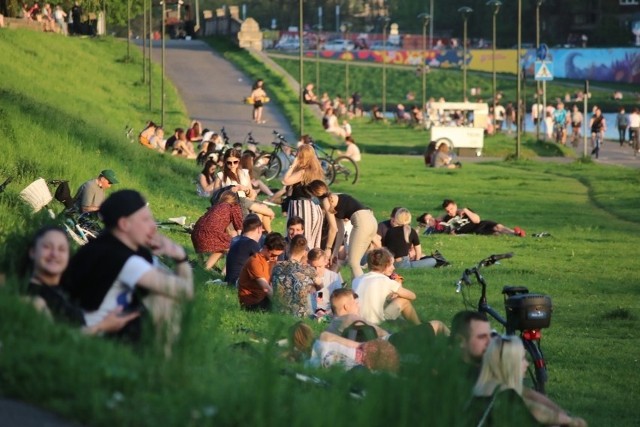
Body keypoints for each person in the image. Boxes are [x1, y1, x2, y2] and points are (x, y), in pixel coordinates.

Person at [63, 190, 194, 352]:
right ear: (124, 224)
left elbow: (174, 284)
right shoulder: (122, 258)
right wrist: (180, 257)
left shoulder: (111, 245)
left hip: (105, 328)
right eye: (145, 220)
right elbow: (185, 291)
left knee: (163, 298)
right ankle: (163, 367)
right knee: (164, 302)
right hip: (92, 337)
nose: (153, 226)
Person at [25, 226, 139, 335]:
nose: (55, 254)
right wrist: (103, 326)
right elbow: (54, 339)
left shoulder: (63, 290)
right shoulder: (33, 298)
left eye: (61, 249)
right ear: (32, 252)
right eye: (47, 247)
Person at [468, 335, 588, 427]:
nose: (527, 363)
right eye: (522, 359)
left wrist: (563, 416)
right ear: (509, 364)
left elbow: (528, 395)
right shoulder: (505, 397)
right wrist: (570, 420)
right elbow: (537, 411)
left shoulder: (482, 388)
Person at [307, 180, 379, 278]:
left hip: (362, 222)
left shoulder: (326, 201)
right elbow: (340, 230)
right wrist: (335, 252)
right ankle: (357, 287)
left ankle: (361, 289)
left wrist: (328, 249)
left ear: (314, 193)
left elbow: (333, 229)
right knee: (355, 262)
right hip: (371, 220)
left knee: (353, 262)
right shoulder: (333, 199)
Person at [289, 322, 399, 372]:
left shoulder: (312, 360)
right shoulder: (324, 338)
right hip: (368, 351)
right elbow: (353, 344)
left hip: (363, 361)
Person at [351, 248, 420, 326]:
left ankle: (403, 324)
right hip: (377, 324)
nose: (393, 268)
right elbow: (412, 296)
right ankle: (419, 327)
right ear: (384, 265)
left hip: (357, 321)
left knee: (387, 302)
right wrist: (397, 288)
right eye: (391, 265)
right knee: (403, 301)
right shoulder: (385, 281)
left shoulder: (357, 280)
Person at [214, 148, 275, 232]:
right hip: (232, 205)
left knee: (261, 214)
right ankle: (269, 234)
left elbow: (253, 194)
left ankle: (268, 236)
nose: (232, 165)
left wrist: (246, 190)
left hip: (247, 202)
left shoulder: (244, 173)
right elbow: (215, 196)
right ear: (225, 162)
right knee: (265, 213)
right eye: (229, 162)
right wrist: (231, 190)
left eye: (235, 162)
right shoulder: (221, 176)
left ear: (239, 161)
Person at [282, 144, 325, 249]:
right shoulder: (315, 171)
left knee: (300, 241)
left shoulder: (303, 172)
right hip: (313, 206)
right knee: (312, 242)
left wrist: (293, 164)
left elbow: (285, 181)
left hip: (302, 207)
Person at [191, 190, 243, 271]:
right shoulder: (233, 207)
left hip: (196, 235)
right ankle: (225, 274)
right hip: (210, 235)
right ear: (235, 201)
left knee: (222, 247)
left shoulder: (216, 206)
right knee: (236, 248)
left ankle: (205, 269)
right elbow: (240, 229)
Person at [272, 235, 320, 317]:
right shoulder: (309, 270)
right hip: (300, 314)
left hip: (279, 312)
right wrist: (311, 287)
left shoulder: (277, 267)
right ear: (305, 252)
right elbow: (320, 285)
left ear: (289, 248)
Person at [382, 208, 447, 269]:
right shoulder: (411, 231)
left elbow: (386, 248)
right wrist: (417, 261)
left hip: (392, 264)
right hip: (405, 264)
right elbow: (418, 250)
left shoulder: (389, 231)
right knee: (433, 261)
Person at [237, 232, 286, 311]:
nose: (275, 258)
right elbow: (265, 288)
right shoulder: (255, 262)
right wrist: (280, 305)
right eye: (273, 255)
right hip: (252, 302)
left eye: (278, 256)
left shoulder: (270, 260)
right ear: (266, 248)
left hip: (263, 298)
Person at [439, 199, 525, 237]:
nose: (450, 211)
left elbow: (477, 220)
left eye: (451, 209)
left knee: (498, 227)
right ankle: (514, 235)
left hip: (480, 224)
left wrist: (465, 210)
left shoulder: (465, 211)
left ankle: (515, 233)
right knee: (496, 234)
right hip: (474, 231)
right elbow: (437, 220)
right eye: (447, 210)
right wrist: (445, 215)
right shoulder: (447, 218)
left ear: (455, 205)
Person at [224, 214, 263, 286]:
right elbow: (262, 265)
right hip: (240, 282)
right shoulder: (252, 243)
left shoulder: (236, 240)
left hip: (229, 280)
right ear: (259, 229)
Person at [307, 248, 343, 317]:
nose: (316, 270)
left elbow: (338, 300)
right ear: (308, 262)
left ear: (326, 262)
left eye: (320, 266)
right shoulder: (305, 277)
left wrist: (327, 312)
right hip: (310, 309)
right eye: (313, 267)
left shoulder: (333, 277)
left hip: (328, 310)